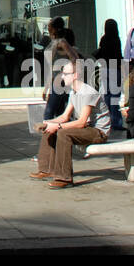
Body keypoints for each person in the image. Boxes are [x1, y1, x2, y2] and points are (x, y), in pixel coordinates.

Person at [31, 59, 110, 188]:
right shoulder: (74, 92)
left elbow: (82, 122)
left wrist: (57, 126)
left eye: (66, 73)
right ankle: (46, 170)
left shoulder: (87, 92)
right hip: (86, 128)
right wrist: (47, 123)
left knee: (63, 133)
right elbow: (65, 116)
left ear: (75, 75)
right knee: (50, 129)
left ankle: (64, 178)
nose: (62, 76)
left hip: (98, 132)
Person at [93, 18, 125, 133]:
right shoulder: (116, 39)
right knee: (115, 97)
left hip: (105, 69)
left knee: (106, 96)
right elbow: (118, 55)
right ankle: (116, 121)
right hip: (114, 68)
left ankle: (107, 120)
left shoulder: (103, 39)